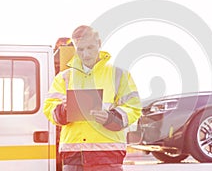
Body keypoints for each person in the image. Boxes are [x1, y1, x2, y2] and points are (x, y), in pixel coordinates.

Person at [43, 25, 142, 171]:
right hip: (74, 156)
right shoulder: (64, 77)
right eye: (80, 49)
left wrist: (111, 118)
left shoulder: (119, 74)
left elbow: (133, 107)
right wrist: (63, 109)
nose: (86, 54)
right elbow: (49, 109)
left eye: (90, 47)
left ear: (99, 44)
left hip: (107, 155)